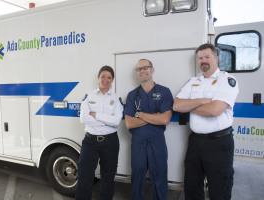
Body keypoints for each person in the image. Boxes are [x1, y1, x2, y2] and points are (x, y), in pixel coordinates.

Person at [173, 43, 239, 200]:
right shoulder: (193, 81)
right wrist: (202, 101)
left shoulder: (227, 80)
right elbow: (177, 105)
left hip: (219, 143)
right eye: (200, 58)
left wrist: (189, 105)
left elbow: (214, 110)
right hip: (195, 142)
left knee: (219, 190)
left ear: (216, 58)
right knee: (192, 187)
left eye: (207, 57)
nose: (203, 61)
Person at [124, 59, 173, 200]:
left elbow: (165, 119)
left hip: (157, 141)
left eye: (145, 67)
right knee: (137, 177)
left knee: (159, 176)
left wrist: (139, 114)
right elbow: (129, 123)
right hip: (138, 142)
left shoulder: (164, 92)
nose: (142, 71)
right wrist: (155, 117)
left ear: (152, 70)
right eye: (139, 69)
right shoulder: (132, 95)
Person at [75, 65, 124, 200]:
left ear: (112, 80)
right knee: (85, 176)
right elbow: (84, 118)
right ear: (98, 77)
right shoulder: (88, 95)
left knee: (108, 177)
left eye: (109, 77)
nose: (105, 80)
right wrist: (107, 120)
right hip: (90, 142)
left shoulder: (116, 98)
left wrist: (95, 114)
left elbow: (116, 121)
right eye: (103, 76)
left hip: (110, 142)